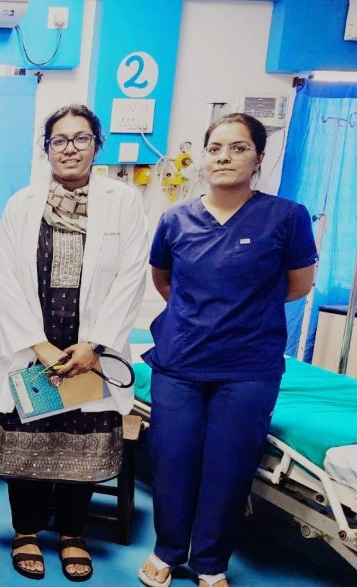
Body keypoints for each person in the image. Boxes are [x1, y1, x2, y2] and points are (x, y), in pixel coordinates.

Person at [138, 113, 317, 587]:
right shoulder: (175, 219)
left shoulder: (287, 217)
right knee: (172, 461)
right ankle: (166, 550)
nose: (224, 157)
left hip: (248, 367)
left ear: (258, 159)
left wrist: (242, 310)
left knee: (230, 467)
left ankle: (211, 562)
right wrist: (201, 315)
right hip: (181, 362)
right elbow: (163, 280)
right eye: (215, 148)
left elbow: (298, 285)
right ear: (203, 157)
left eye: (238, 148)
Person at [0, 105, 147, 582]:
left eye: (81, 138)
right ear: (47, 149)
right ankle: (26, 531)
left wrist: (93, 346)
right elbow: (5, 280)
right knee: (28, 445)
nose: (70, 148)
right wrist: (38, 345)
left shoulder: (123, 202)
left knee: (80, 444)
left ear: (97, 145)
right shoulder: (21, 204)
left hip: (90, 353)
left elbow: (132, 277)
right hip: (34, 348)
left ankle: (73, 534)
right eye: (59, 140)